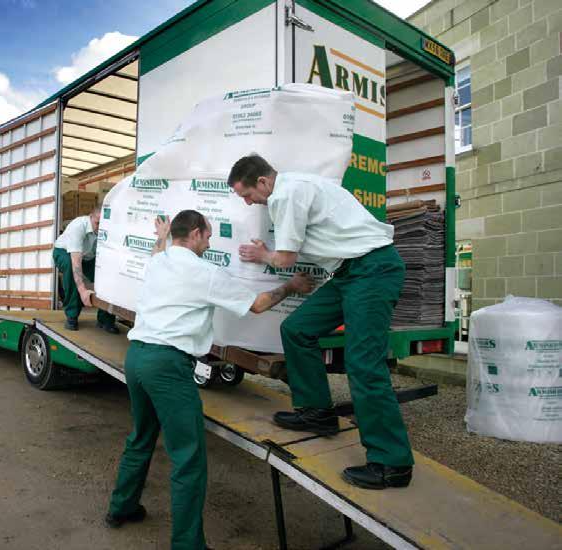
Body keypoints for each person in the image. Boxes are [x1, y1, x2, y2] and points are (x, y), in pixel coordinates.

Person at [106, 210, 314, 550]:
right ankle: (188, 545)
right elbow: (258, 305)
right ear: (196, 233)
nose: (210, 242)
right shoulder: (205, 272)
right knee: (188, 457)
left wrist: (162, 235)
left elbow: (159, 251)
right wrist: (291, 285)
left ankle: (121, 508)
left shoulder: (158, 262)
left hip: (137, 358)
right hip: (167, 366)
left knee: (141, 437)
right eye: (208, 235)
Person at [226, 154, 414, 490]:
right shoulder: (297, 185)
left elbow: (286, 259)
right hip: (348, 273)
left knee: (364, 364)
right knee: (297, 329)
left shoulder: (285, 194)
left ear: (263, 182)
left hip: (372, 270)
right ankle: (317, 412)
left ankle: (392, 463)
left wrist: (263, 254)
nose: (248, 202)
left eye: (247, 194)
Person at [52, 206, 117, 332]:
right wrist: (82, 291)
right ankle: (72, 316)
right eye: (97, 223)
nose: (100, 227)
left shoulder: (107, 230)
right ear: (90, 217)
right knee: (71, 270)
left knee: (108, 275)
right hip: (64, 252)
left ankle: (105, 319)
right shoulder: (78, 226)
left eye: (103, 224)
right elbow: (76, 262)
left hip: (88, 256)